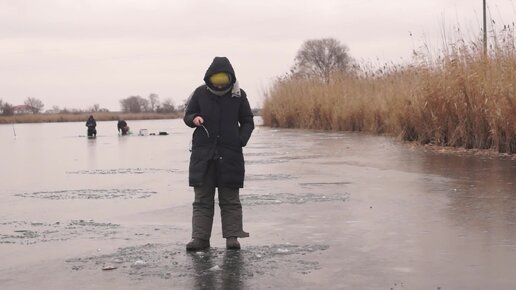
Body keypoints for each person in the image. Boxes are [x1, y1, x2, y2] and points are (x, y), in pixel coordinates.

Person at [183, 56, 254, 251]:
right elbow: (188, 115)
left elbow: (248, 120)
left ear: (230, 78)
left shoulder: (239, 95)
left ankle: (232, 237)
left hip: (230, 155)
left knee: (230, 199)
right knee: (202, 200)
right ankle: (200, 239)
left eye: (223, 79)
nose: (220, 84)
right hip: (203, 156)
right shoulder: (200, 93)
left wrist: (240, 140)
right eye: (216, 79)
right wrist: (194, 118)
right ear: (209, 78)